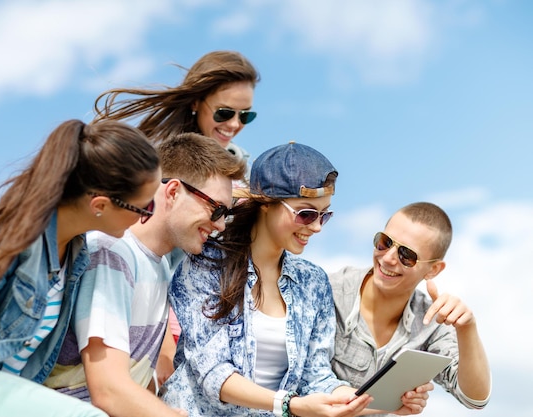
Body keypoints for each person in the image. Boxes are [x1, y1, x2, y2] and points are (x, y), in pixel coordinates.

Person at [0, 119, 161, 417]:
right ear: (101, 205)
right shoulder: (7, 230)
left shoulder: (77, 255)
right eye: (145, 208)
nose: (146, 217)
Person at [159, 142, 430, 417]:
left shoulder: (313, 282)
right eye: (306, 214)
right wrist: (290, 404)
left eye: (324, 215)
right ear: (266, 204)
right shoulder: (206, 264)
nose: (315, 227)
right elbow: (212, 372)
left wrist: (384, 401)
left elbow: (316, 377)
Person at [43, 132, 246, 417]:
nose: (221, 225)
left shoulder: (159, 265)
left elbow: (134, 382)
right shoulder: (112, 253)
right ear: (173, 192)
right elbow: (107, 390)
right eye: (216, 209)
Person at [329, 202, 491, 416]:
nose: (388, 258)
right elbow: (306, 385)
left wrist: (467, 327)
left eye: (406, 255)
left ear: (433, 269)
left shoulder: (432, 321)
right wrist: (390, 405)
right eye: (384, 242)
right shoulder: (329, 292)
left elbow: (474, 399)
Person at [94, 49, 259, 177]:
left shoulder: (246, 172)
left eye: (245, 115)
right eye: (224, 113)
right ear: (196, 103)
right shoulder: (155, 165)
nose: (234, 124)